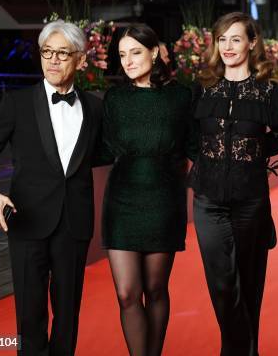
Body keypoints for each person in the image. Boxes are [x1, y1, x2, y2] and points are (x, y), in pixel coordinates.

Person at [0, 20, 103, 355]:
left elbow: (110, 151)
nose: (53, 60)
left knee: (67, 314)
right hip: (27, 221)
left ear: (80, 60)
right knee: (29, 315)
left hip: (74, 223)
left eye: (62, 53)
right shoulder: (17, 103)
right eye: (47, 52)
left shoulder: (95, 106)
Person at [190, 12, 278, 356]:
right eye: (221, 39)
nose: (227, 46)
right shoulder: (203, 88)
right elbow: (191, 139)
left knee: (250, 285)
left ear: (252, 43)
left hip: (251, 202)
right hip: (208, 201)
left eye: (235, 39)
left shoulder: (269, 92)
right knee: (223, 284)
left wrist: (254, 152)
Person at [100, 24, 196, 356]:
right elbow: (100, 147)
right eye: (122, 54)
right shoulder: (114, 98)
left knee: (155, 289)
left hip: (164, 201)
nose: (128, 61)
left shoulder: (182, 96)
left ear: (154, 52)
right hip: (122, 202)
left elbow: (196, 147)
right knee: (127, 293)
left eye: (135, 52)